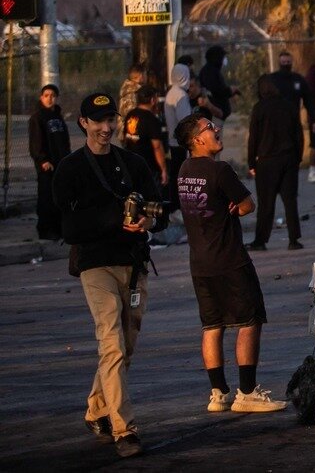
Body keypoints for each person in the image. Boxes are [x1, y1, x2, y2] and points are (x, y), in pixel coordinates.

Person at [52, 92, 168, 459]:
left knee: (125, 347)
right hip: (95, 264)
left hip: (133, 265)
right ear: (83, 123)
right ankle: (125, 430)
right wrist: (114, 218)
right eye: (98, 121)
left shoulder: (133, 163)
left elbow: (160, 211)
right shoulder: (70, 169)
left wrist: (147, 221)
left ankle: (96, 408)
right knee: (112, 344)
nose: (106, 128)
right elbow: (68, 228)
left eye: (110, 120)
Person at [173, 113, 287, 414]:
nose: (217, 129)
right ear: (197, 139)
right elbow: (248, 204)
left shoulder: (184, 170)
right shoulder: (219, 170)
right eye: (209, 127)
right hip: (229, 259)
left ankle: (218, 393)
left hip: (200, 262)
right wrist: (237, 206)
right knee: (249, 322)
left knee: (212, 325)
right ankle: (247, 392)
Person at [246, 74, 303, 251]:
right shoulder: (289, 106)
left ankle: (260, 240)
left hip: (266, 162)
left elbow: (253, 138)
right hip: (288, 158)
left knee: (266, 203)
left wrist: (251, 163)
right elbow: (298, 134)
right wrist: (298, 158)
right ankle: (294, 239)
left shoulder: (259, 108)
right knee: (290, 201)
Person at [122, 86, 171, 236]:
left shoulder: (131, 115)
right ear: (153, 99)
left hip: (130, 164)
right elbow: (157, 147)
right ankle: (152, 230)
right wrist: (163, 170)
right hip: (148, 166)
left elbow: (125, 139)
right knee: (152, 199)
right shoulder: (151, 119)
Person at [28, 83, 70, 240]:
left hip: (60, 164)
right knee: (46, 198)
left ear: (56, 98)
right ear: (41, 97)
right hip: (47, 166)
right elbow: (35, 142)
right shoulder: (37, 118)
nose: (49, 99)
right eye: (46, 96)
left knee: (59, 197)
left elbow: (64, 142)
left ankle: (58, 229)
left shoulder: (58, 117)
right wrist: (42, 160)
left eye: (52, 96)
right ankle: (45, 230)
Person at [164, 63, 194, 180]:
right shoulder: (181, 95)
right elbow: (185, 119)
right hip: (181, 141)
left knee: (175, 173)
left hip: (173, 140)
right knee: (182, 173)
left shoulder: (171, 92)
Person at [197, 45, 238, 120]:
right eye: (222, 57)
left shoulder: (211, 70)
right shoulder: (210, 72)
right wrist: (230, 90)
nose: (223, 60)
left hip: (216, 114)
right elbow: (217, 91)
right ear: (217, 57)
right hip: (214, 115)